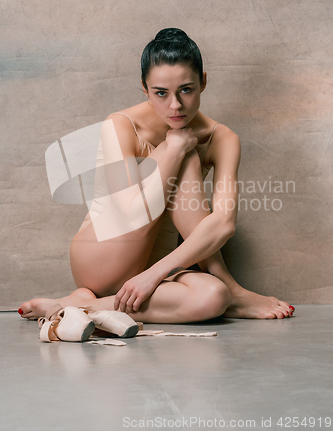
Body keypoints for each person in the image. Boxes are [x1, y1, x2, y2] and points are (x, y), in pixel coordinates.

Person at [18, 28, 295, 323]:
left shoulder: (223, 138)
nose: (175, 105)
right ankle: (229, 286)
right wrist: (174, 148)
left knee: (213, 297)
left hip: (152, 275)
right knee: (183, 147)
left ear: (203, 81)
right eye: (160, 93)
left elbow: (223, 224)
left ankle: (85, 305)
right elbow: (131, 214)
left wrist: (154, 273)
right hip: (102, 255)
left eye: (186, 89)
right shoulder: (121, 124)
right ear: (144, 87)